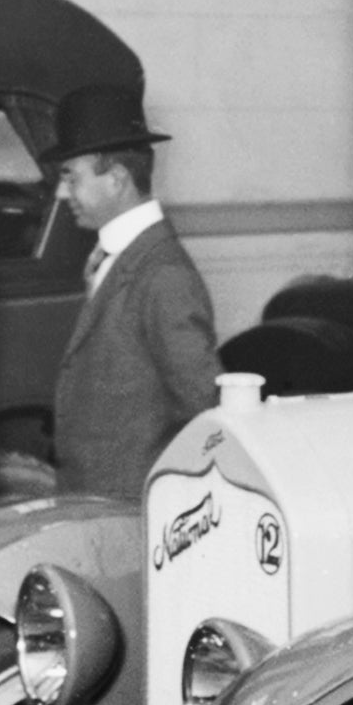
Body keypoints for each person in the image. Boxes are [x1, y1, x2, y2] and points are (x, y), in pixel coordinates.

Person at [48, 80, 218, 502]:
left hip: (133, 510)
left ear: (117, 179)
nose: (61, 192)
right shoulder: (119, 257)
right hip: (99, 504)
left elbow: (207, 411)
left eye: (71, 176)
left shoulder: (163, 276)